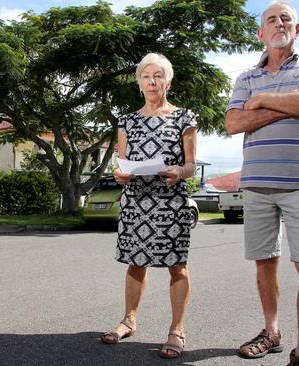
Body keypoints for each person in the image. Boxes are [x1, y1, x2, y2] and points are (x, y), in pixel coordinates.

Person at [224, 1, 299, 365]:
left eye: (286, 18)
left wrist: (265, 101)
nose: (279, 23)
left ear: (297, 30)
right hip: (257, 185)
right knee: (264, 262)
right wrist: (291, 104)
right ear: (260, 33)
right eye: (271, 19)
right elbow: (234, 123)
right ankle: (271, 332)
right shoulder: (245, 78)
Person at [101, 52, 197, 360]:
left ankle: (177, 330)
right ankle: (129, 320)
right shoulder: (126, 121)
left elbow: (191, 165)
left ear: (169, 81)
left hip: (171, 201)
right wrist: (119, 174)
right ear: (139, 83)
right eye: (146, 76)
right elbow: (122, 163)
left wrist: (179, 171)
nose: (152, 81)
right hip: (136, 202)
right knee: (135, 262)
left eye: (158, 76)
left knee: (176, 265)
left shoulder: (185, 117)